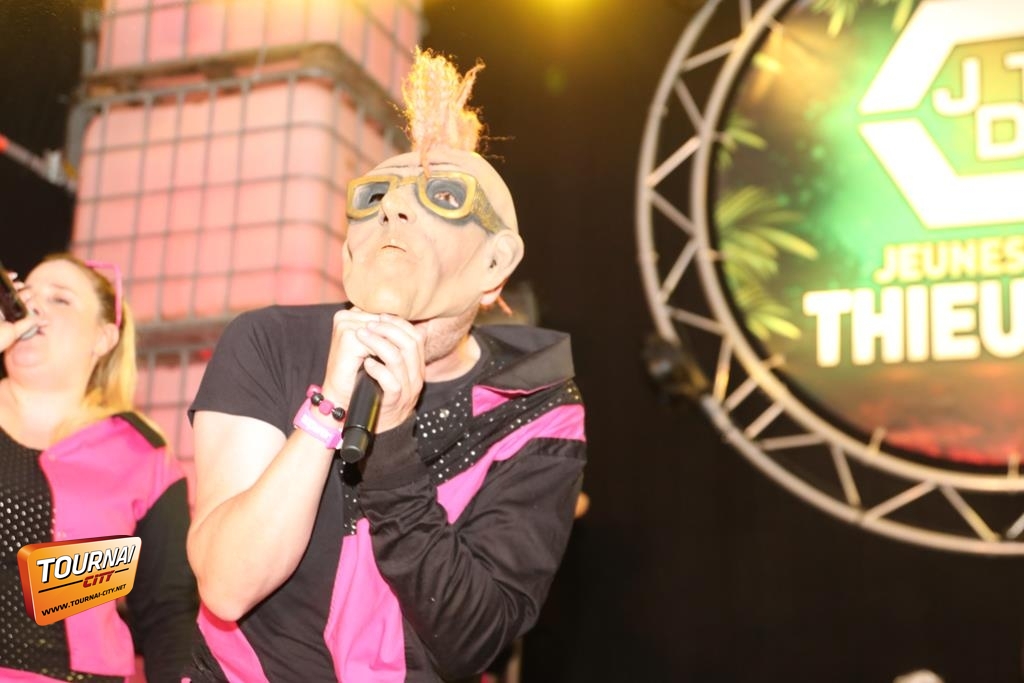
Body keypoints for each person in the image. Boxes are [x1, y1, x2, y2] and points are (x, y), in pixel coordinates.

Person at [184, 48, 587, 682]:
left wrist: (394, 444)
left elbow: (472, 638)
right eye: (375, 195)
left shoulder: (530, 407)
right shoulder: (270, 342)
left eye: (443, 197)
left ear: (495, 264)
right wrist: (327, 408)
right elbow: (227, 586)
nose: (394, 210)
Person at [0, 254, 198, 682]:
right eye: (24, 293)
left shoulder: (141, 453)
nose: (31, 305)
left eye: (60, 299)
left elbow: (168, 612)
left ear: (104, 337)